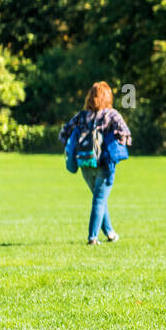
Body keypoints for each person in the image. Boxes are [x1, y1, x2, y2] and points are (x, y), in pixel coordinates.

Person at [59, 81, 132, 245]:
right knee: (99, 200)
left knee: (99, 199)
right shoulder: (111, 114)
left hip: (85, 164)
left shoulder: (81, 116)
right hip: (104, 165)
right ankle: (92, 238)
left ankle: (110, 233)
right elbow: (126, 134)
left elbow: (64, 132)